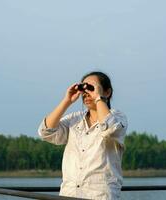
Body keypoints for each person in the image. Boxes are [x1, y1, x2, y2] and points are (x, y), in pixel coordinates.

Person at [38, 71, 128, 200]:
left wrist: (98, 98)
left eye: (92, 88)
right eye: (84, 88)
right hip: (69, 194)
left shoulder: (118, 117)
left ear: (107, 92)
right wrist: (67, 101)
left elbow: (109, 128)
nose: (87, 93)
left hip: (100, 195)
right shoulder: (75, 119)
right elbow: (45, 132)